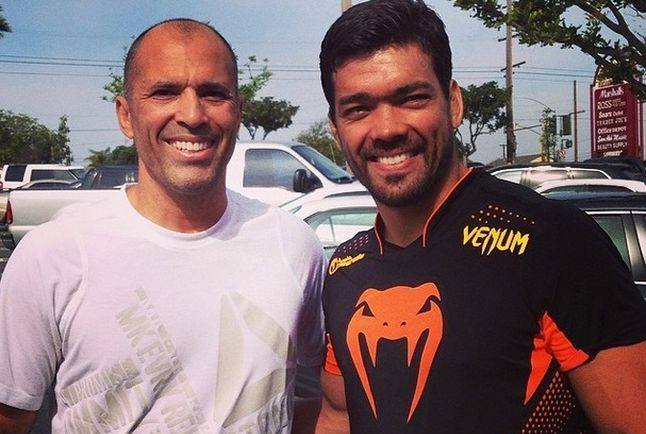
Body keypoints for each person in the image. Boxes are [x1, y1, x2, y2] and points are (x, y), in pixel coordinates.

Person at [314, 1, 646, 433]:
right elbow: (338, 414)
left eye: (411, 98)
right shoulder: (344, 268)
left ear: (453, 103)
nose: (387, 128)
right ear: (335, 126)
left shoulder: (554, 242)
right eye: (358, 109)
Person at [0, 19, 326, 433]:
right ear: (126, 115)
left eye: (213, 93)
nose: (192, 114)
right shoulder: (52, 255)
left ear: (238, 111)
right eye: (164, 92)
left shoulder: (294, 246)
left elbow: (319, 401)